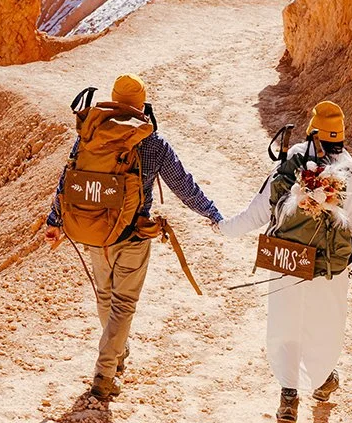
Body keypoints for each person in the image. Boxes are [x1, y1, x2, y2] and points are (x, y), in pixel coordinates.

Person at [45, 74, 224, 400]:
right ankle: (105, 373)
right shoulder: (153, 143)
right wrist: (213, 213)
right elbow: (183, 186)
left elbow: (69, 176)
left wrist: (54, 220)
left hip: (96, 231)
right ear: (142, 105)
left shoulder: (90, 132)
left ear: (113, 99)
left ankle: (116, 355)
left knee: (105, 297)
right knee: (123, 304)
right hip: (132, 235)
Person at [217, 101, 352, 423]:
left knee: (284, 322)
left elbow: (261, 208)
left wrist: (225, 227)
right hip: (327, 267)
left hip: (286, 259)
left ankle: (288, 396)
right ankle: (322, 381)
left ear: (312, 129)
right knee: (325, 323)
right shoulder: (348, 171)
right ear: (341, 136)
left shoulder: (292, 159)